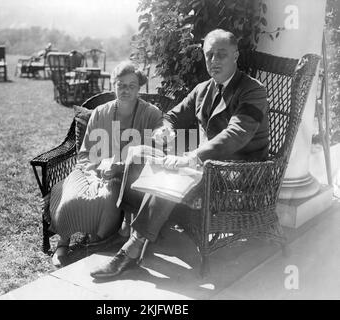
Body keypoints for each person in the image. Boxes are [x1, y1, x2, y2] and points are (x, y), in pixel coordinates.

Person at [90, 28, 270, 279]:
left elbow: (237, 134)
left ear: (236, 55)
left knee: (172, 173)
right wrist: (166, 130)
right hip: (206, 165)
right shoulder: (203, 89)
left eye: (222, 55)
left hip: (239, 171)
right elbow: (172, 116)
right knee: (139, 152)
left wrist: (191, 157)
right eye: (209, 55)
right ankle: (136, 228)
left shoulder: (252, 90)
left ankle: (132, 249)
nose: (214, 61)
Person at [49, 61, 164, 267]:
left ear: (139, 88)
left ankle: (97, 241)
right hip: (91, 170)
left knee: (108, 198)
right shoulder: (100, 112)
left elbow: (157, 148)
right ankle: (63, 242)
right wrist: (94, 173)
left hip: (127, 177)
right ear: (113, 85)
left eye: (131, 85)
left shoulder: (151, 113)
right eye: (120, 85)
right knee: (69, 199)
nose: (126, 90)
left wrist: (118, 166)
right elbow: (85, 153)